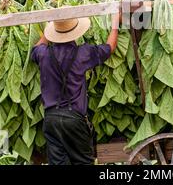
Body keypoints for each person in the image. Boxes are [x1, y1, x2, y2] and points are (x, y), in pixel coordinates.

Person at [31, 12, 120, 165]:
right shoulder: (83, 53)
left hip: (51, 119)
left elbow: (36, 48)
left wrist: (49, 29)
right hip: (74, 119)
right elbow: (109, 47)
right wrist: (115, 25)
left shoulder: (43, 54)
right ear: (76, 32)